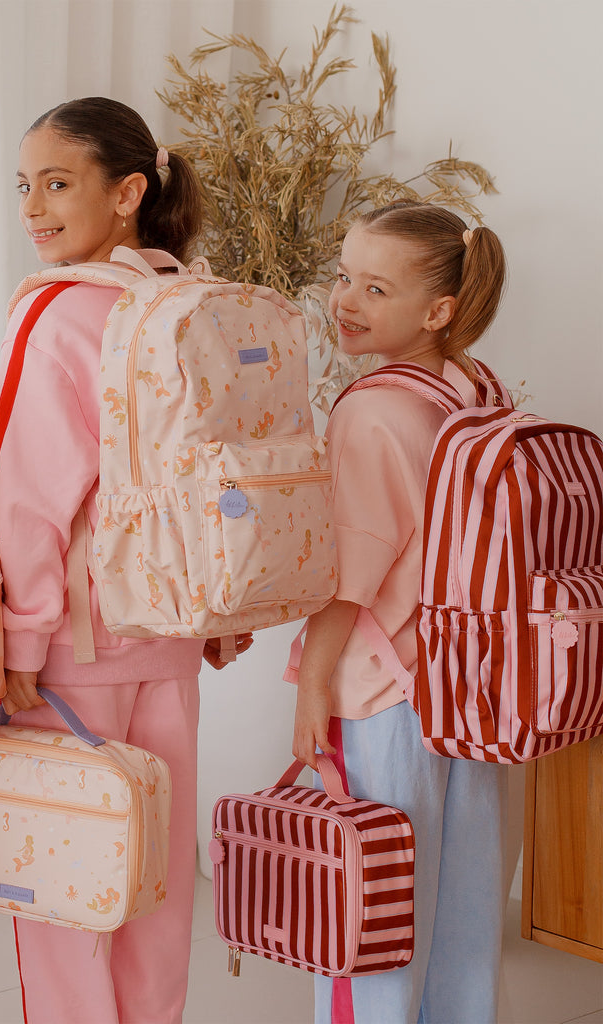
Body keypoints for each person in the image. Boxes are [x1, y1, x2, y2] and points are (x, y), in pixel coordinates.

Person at [0, 96, 246, 1024]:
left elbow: (27, 491)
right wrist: (222, 612)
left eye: (59, 183)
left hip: (74, 646)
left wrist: (20, 637)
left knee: (61, 883)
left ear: (130, 190)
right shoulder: (195, 303)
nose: (34, 207)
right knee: (158, 879)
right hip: (173, 634)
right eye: (25, 185)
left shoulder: (59, 314)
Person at [289, 200, 509, 1023]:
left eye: (376, 289)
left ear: (439, 310)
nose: (346, 300)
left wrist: (312, 686)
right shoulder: (477, 389)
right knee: (462, 892)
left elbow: (346, 578)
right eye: (345, 277)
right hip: (474, 683)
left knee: (369, 899)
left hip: (383, 690)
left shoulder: (371, 411)